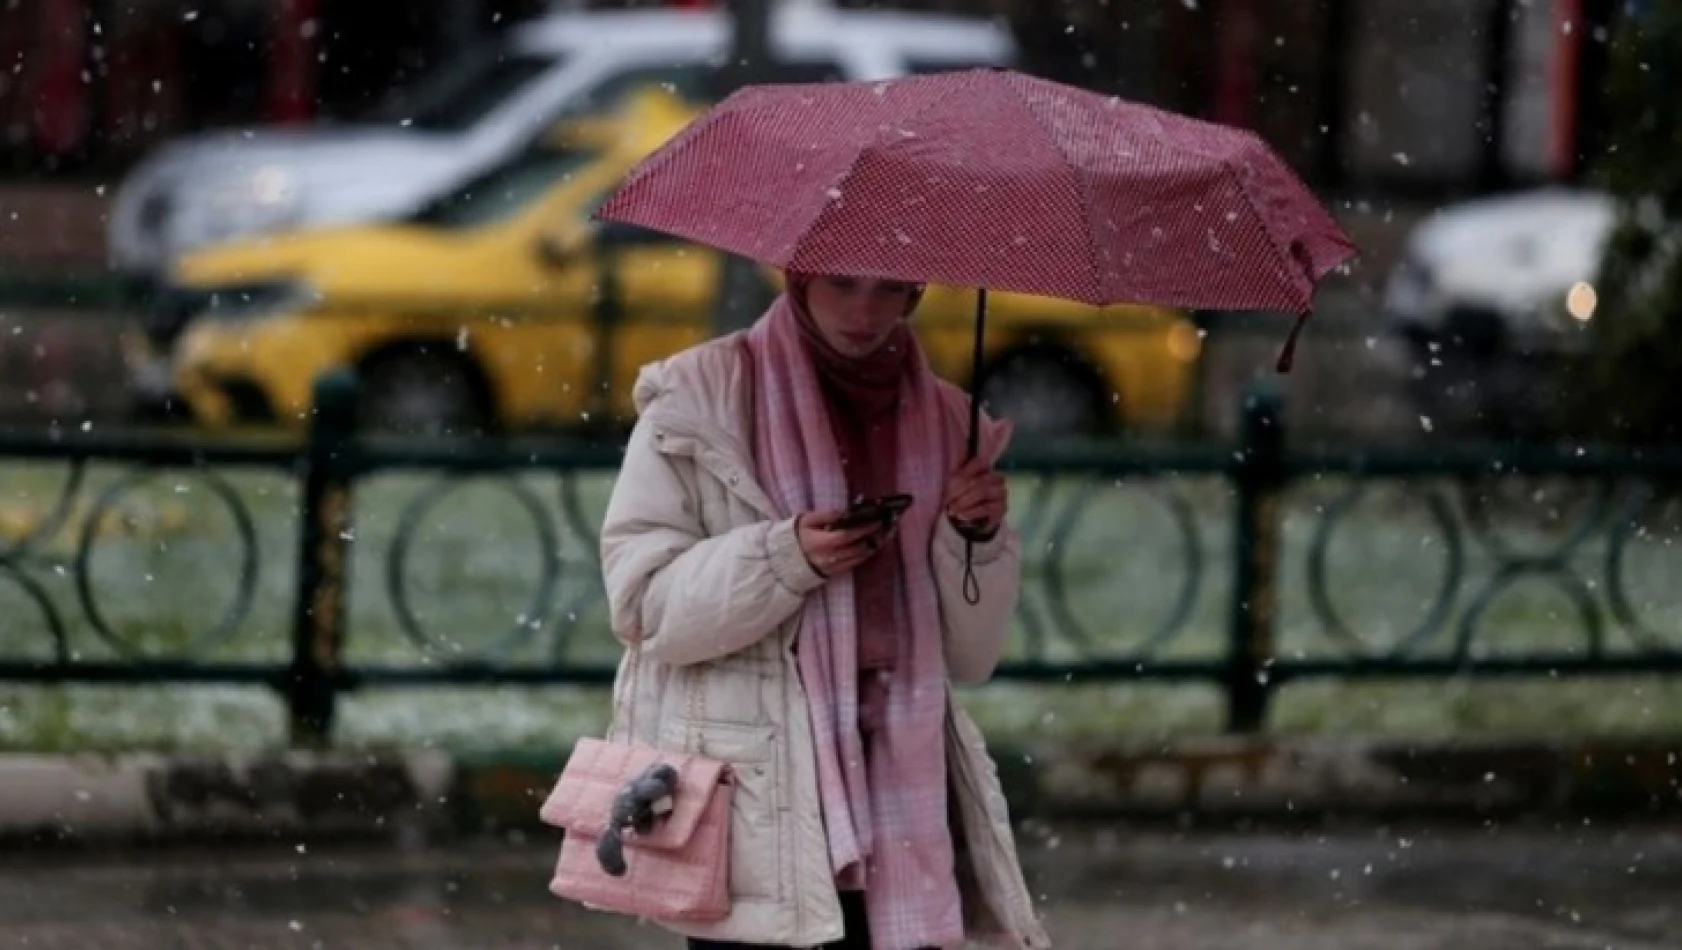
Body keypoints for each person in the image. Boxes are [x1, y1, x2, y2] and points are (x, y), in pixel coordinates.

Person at [598, 271, 1051, 950]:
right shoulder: (700, 399)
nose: (865, 309)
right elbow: (644, 606)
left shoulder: (955, 426)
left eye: (889, 287)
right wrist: (785, 560)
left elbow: (971, 656)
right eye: (842, 283)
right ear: (798, 277)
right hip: (757, 782)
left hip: (904, 788)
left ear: (916, 296)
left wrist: (975, 540)